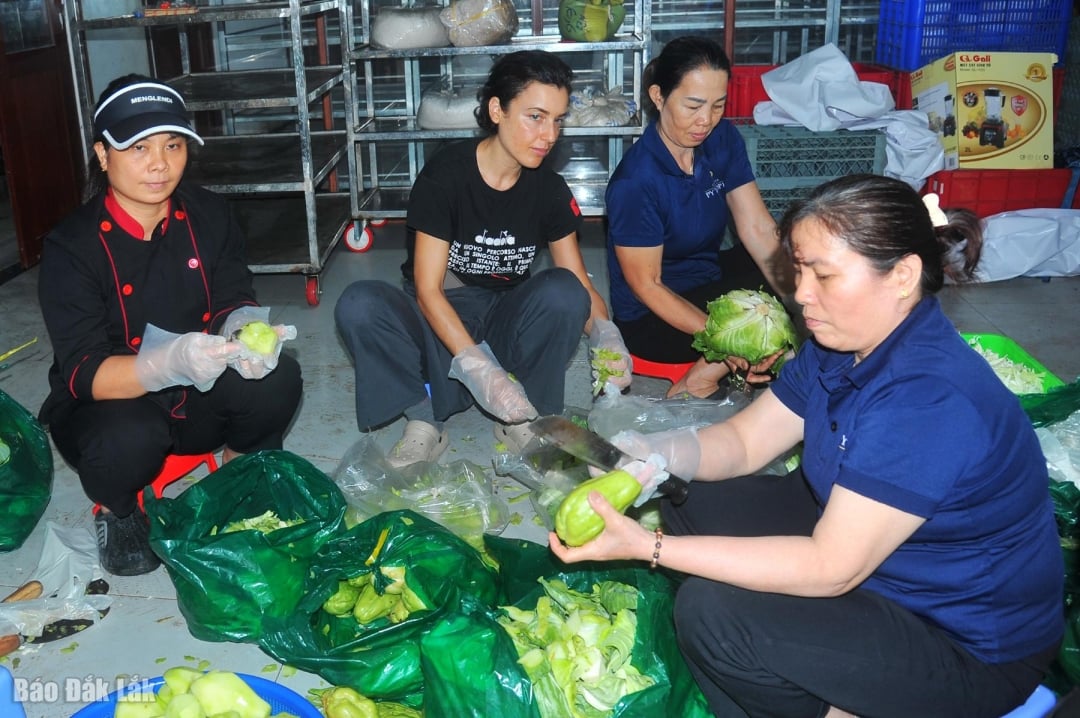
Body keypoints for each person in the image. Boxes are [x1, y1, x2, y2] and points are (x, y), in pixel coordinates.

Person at [551, 174, 1064, 718]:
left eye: (823, 275)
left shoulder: (928, 400)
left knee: (714, 614)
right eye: (800, 270)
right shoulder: (842, 342)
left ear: (903, 277)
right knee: (690, 499)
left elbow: (831, 566)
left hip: (963, 644)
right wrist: (654, 454)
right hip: (888, 564)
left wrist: (648, 548)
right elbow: (746, 441)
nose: (800, 294)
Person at [37, 74, 303, 576]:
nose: (159, 163)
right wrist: (169, 361)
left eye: (173, 144)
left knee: (279, 378)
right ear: (102, 154)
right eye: (138, 147)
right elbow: (83, 370)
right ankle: (120, 512)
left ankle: (242, 476)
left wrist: (244, 330)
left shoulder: (210, 212)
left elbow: (231, 296)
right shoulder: (72, 247)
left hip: (200, 388)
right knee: (125, 437)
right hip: (115, 403)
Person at [335, 50, 630, 467]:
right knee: (359, 303)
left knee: (564, 292)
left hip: (502, 316)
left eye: (558, 119)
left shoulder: (548, 188)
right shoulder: (445, 178)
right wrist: (480, 370)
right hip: (439, 318)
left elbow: (578, 280)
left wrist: (606, 338)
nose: (549, 134)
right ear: (497, 110)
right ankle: (424, 422)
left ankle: (525, 418)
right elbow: (428, 291)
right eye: (535, 116)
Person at [605, 36, 795, 399]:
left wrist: (803, 304)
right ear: (659, 96)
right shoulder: (636, 181)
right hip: (654, 319)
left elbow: (757, 227)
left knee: (791, 263)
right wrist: (725, 340)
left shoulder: (722, 139)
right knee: (761, 310)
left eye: (717, 105)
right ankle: (701, 378)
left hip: (708, 280)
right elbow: (648, 287)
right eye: (693, 105)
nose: (705, 120)